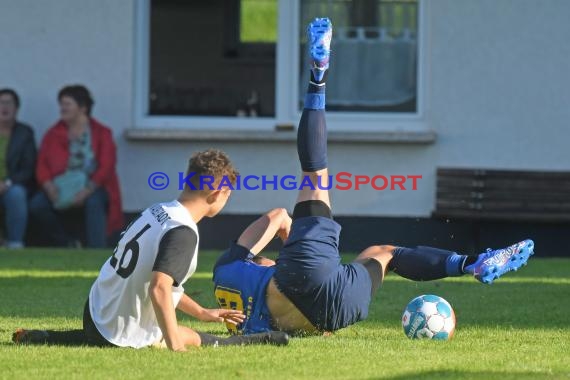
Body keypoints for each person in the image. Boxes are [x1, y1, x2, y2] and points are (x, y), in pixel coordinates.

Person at [211, 18, 535, 336]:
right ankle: (318, 75)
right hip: (306, 275)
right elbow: (278, 217)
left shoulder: (236, 307)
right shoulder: (226, 267)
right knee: (313, 174)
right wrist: (294, 242)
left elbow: (275, 279)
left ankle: (470, 263)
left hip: (334, 313)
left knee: (383, 253)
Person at [13, 149, 289, 350]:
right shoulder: (183, 233)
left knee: (169, 324)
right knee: (198, 339)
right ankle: (255, 339)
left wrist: (203, 312)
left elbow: (153, 280)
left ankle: (45, 336)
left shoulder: (157, 210)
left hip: (97, 312)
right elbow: (159, 288)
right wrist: (175, 347)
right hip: (120, 330)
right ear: (216, 194)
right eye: (229, 194)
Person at [29, 85, 123, 248]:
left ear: (83, 107)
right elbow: (42, 164)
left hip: (93, 186)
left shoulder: (102, 133)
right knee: (37, 205)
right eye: (61, 104)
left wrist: (87, 190)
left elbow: (107, 166)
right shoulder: (53, 133)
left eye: (67, 104)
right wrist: (48, 186)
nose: (62, 109)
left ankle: (97, 249)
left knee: (95, 202)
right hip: (60, 187)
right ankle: (67, 243)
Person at [0, 88, 37, 248]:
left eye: (9, 103)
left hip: (12, 184)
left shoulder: (25, 133)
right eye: (1, 103)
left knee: (16, 194)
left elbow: (28, 168)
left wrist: (7, 184)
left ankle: (15, 243)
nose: (4, 107)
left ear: (17, 108)